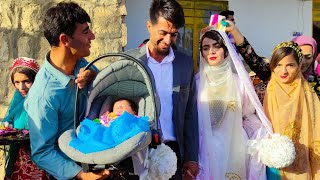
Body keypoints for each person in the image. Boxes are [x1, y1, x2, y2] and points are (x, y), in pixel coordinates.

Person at [23, 2, 109, 179]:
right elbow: (42, 152)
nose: (92, 36)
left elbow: (106, 86)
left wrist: (93, 74)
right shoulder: (43, 95)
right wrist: (81, 175)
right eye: (85, 32)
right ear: (65, 40)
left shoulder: (81, 64)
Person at [125, 0, 199, 179]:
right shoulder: (130, 61)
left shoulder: (185, 63)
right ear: (149, 26)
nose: (167, 41)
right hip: (136, 152)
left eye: (173, 35)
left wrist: (191, 157)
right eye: (163, 33)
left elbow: (190, 112)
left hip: (173, 154)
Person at [196, 27, 272, 180]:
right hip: (204, 150)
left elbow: (248, 114)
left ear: (225, 49)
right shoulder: (196, 83)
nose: (211, 51)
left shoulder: (239, 83)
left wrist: (264, 136)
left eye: (216, 46)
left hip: (234, 147)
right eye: (206, 48)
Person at [263, 41, 320, 179]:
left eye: (290, 65)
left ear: (299, 66)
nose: (283, 71)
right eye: (278, 65)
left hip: (302, 158)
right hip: (273, 160)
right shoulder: (264, 90)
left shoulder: (308, 92)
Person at [225, 20, 320, 100]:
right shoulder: (276, 74)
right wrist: (234, 31)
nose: (303, 61)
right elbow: (252, 57)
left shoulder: (316, 82)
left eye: (308, 57)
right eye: (299, 56)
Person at [2, 57, 49, 179]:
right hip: (17, 156)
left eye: (27, 81)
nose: (21, 87)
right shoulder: (18, 99)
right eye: (16, 82)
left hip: (39, 156)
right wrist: (7, 125)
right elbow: (9, 118)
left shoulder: (45, 101)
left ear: (36, 80)